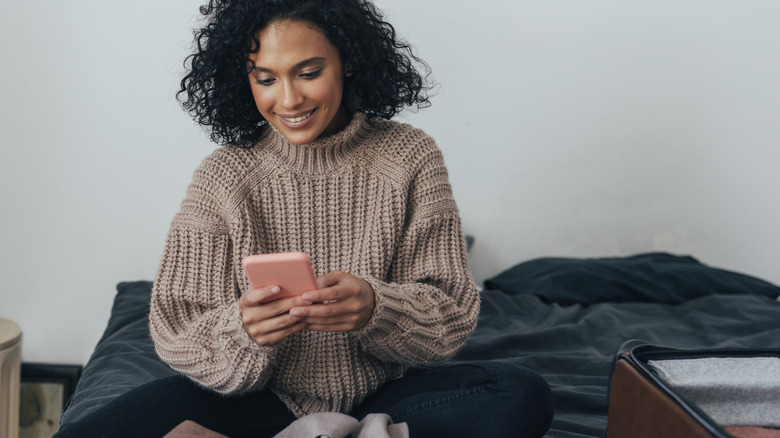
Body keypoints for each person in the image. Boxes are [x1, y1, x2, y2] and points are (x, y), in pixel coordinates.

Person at [58, 1, 553, 437]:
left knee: (519, 394)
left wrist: (378, 307)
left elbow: (451, 309)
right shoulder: (225, 175)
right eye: (265, 78)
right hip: (260, 399)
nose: (288, 99)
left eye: (308, 72)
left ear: (349, 62)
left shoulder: (411, 157)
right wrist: (242, 329)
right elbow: (177, 326)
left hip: (384, 396)